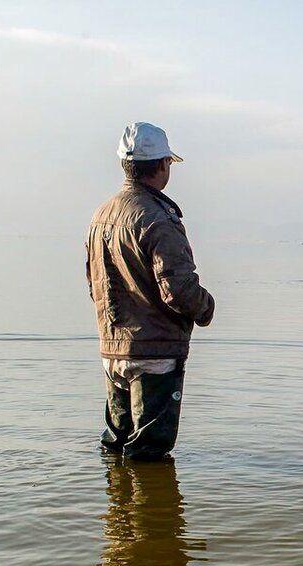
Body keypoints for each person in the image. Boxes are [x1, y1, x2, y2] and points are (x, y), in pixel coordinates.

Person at [86, 122, 215, 460]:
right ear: (161, 165)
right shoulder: (157, 219)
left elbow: (93, 283)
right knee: (149, 455)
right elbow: (178, 289)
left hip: (112, 351)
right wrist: (205, 308)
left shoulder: (101, 215)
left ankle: (117, 511)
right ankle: (150, 513)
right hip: (153, 354)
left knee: (116, 445)